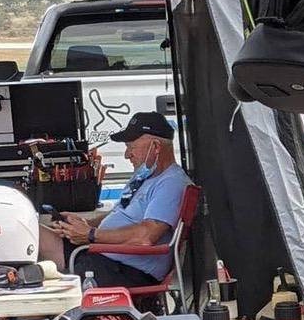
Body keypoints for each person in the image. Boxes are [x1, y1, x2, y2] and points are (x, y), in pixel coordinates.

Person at [36, 112, 189, 292]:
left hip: (124, 269)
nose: (126, 155)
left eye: (131, 146)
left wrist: (91, 235)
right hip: (103, 252)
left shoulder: (171, 183)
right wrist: (84, 225)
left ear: (155, 146)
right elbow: (119, 213)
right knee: (28, 231)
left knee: (40, 290)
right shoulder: (143, 176)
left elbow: (145, 237)